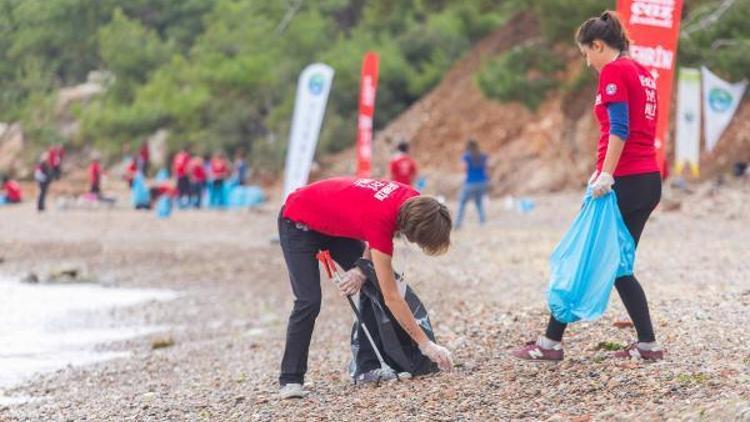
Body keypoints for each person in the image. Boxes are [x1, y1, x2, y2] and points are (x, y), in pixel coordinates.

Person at [513, 11, 664, 362]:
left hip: (622, 182)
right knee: (618, 265)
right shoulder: (643, 72)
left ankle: (550, 344)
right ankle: (647, 345)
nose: (587, 63)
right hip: (647, 181)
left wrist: (606, 175)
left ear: (598, 45)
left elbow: (620, 128)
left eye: (586, 54)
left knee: (582, 257)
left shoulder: (614, 70)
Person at [277, 177, 454, 399]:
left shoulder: (416, 201)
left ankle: (367, 367)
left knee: (371, 280)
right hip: (297, 222)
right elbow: (392, 297)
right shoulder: (381, 220)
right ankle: (290, 379)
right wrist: (426, 345)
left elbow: (375, 239)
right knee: (308, 301)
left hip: (334, 225)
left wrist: (361, 270)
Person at [454, 139, 489, 229]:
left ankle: (458, 223)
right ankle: (482, 221)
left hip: (470, 182)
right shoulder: (483, 155)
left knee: (462, 203)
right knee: (479, 202)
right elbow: (487, 167)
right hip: (482, 181)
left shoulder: (466, 156)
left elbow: (463, 168)